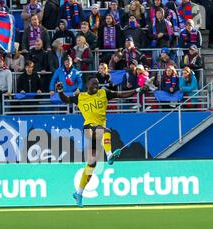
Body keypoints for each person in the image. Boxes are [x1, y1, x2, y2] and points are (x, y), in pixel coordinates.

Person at [56, 77, 150, 207]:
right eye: (93, 83)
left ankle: (78, 193)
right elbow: (66, 100)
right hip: (89, 128)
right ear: (87, 84)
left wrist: (138, 89)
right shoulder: (80, 97)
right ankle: (109, 154)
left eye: (97, 83)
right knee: (104, 129)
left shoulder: (104, 93)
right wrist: (60, 91)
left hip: (99, 132)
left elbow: (121, 95)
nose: (96, 85)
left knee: (91, 164)